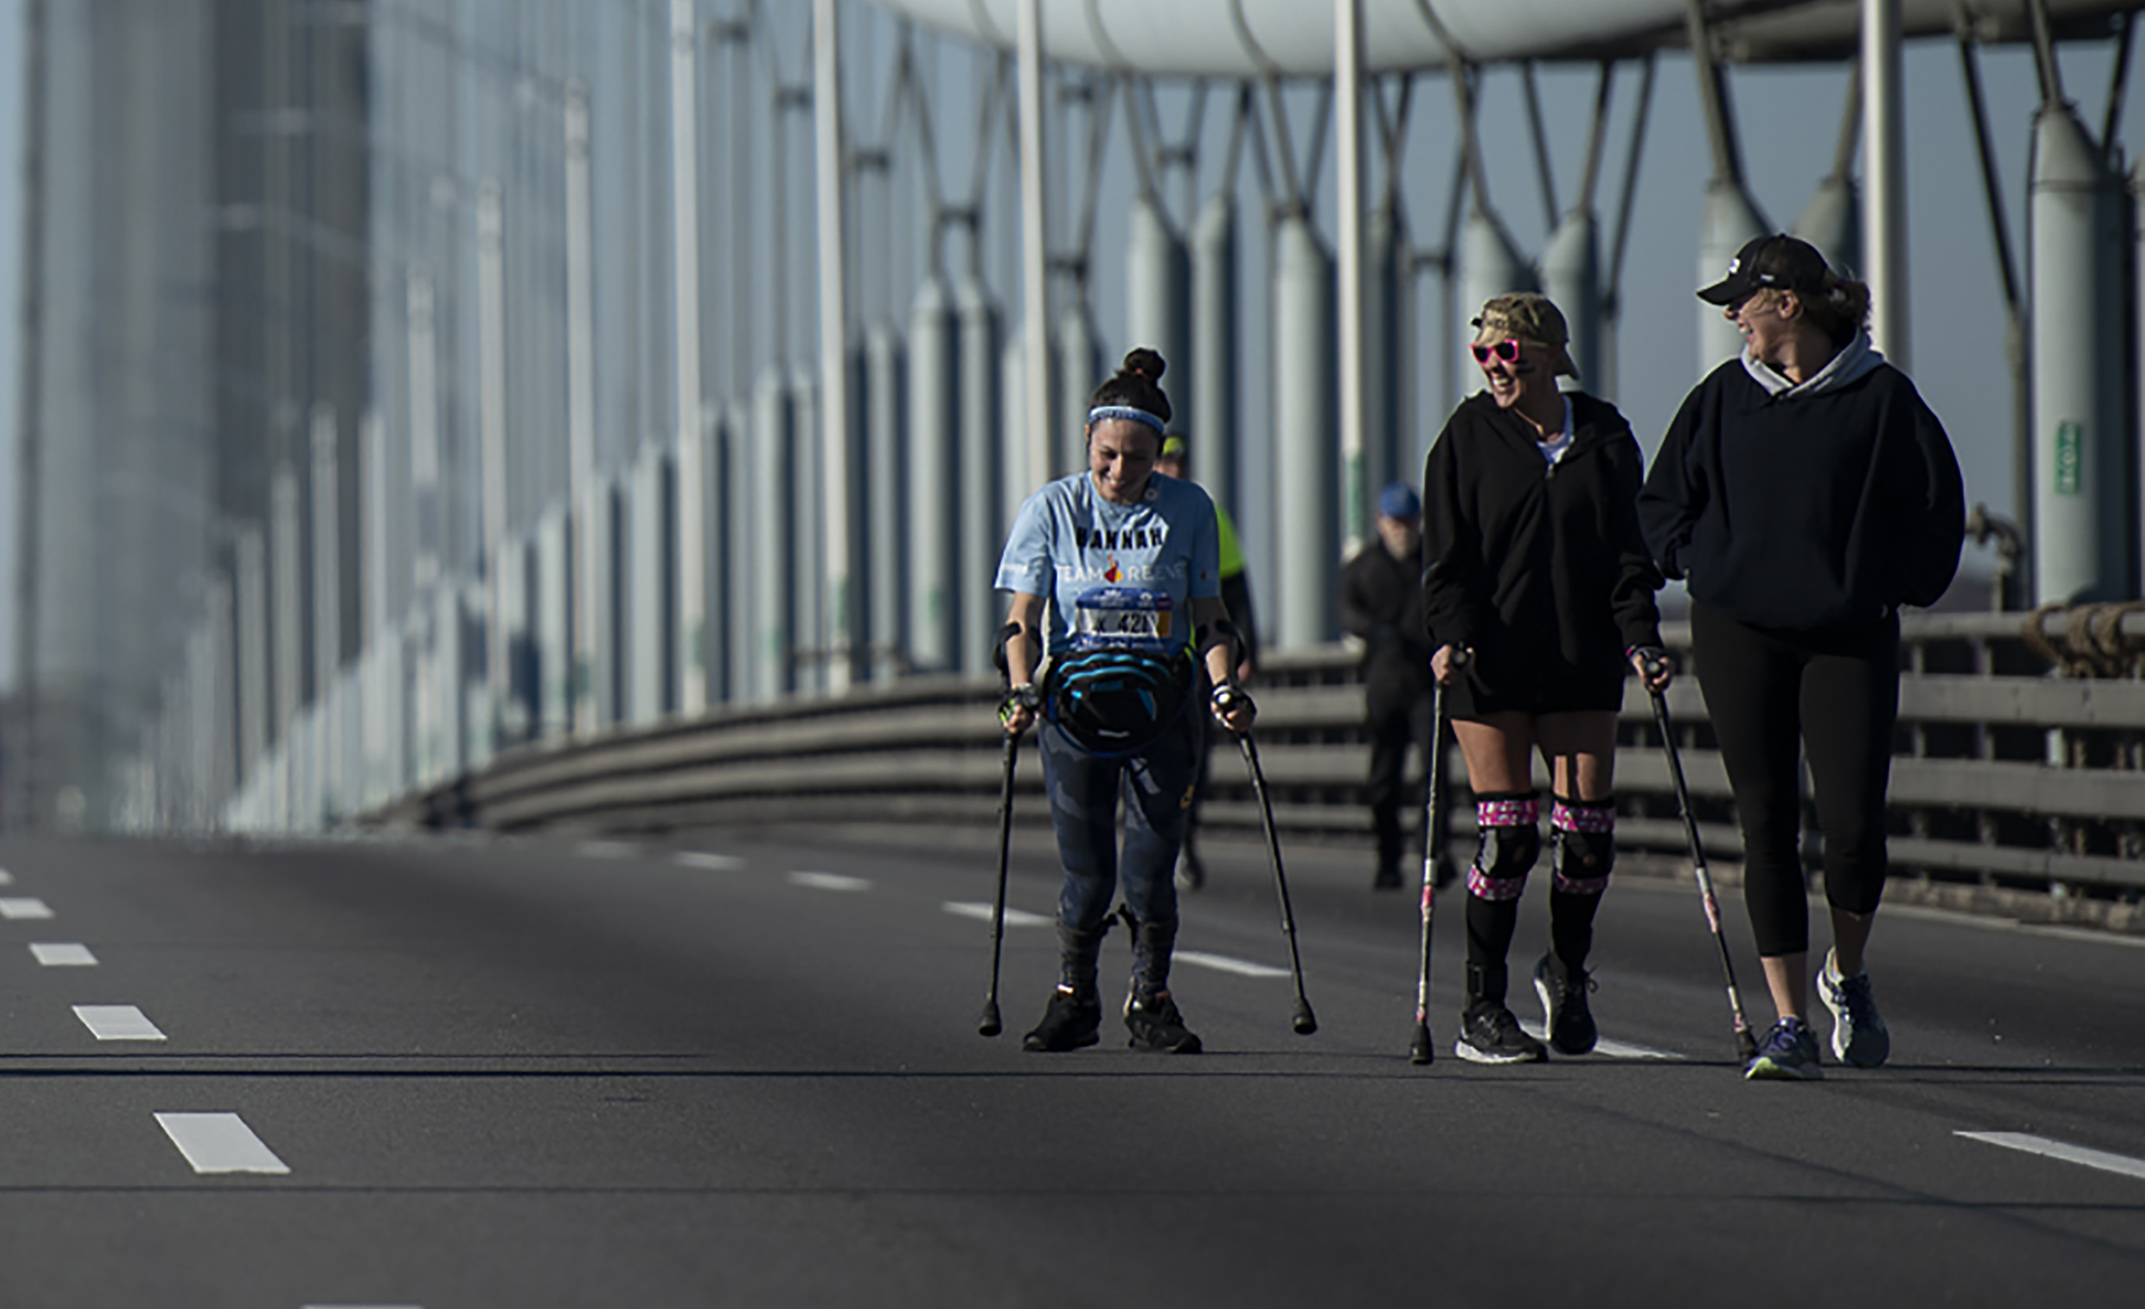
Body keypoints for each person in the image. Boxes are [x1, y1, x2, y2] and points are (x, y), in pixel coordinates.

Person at [1640, 234, 1963, 1081]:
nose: (1731, 317)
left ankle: (1844, 974)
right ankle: (1789, 1023)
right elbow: (1661, 502)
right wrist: (1696, 560)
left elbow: (1935, 513)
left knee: (1853, 825)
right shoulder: (1718, 400)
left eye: (1741, 301)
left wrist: (1880, 583)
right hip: (1737, 629)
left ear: (1788, 303)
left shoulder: (1882, 399)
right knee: (1766, 822)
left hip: (1846, 634)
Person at [1420, 292, 1671, 1065]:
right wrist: (1451, 637)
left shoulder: (1603, 436)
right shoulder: (1464, 439)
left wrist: (1641, 639)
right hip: (1489, 664)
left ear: (1547, 357)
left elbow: (1629, 556)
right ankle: (1481, 1007)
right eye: (1485, 355)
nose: (1497, 367)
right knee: (1505, 836)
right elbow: (1447, 560)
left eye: (1510, 353)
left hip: (1579, 657)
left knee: (1586, 839)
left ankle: (1564, 969)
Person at [996, 348, 1257, 1055]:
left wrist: (1225, 687)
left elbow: (1210, 613)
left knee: (1149, 867)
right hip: (1073, 714)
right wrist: (1020, 688)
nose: (1118, 472)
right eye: (1107, 455)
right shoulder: (1050, 508)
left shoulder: (1190, 508)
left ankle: (1151, 1000)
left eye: (1136, 459)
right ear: (1088, 441)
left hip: (1162, 711)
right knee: (1086, 871)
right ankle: (1074, 998)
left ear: (1157, 453)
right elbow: (1021, 618)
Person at [1154, 433, 1258, 891]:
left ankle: (1184, 842)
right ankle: (1150, 842)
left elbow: (1234, 590)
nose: (1173, 470)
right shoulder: (1130, 513)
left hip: (1198, 663)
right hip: (1146, 661)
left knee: (1195, 758)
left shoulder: (1207, 514)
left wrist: (1245, 650)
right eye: (1165, 462)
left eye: (1180, 462)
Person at [1339, 482, 1437, 891]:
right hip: (1383, 683)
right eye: (1395, 522)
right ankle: (1388, 857)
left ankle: (1435, 853)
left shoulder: (1435, 561)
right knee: (1384, 777)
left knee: (1433, 776)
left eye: (1409, 521)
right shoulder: (1363, 567)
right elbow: (1347, 610)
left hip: (1427, 683)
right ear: (1380, 522)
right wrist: (1376, 632)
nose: (1403, 530)